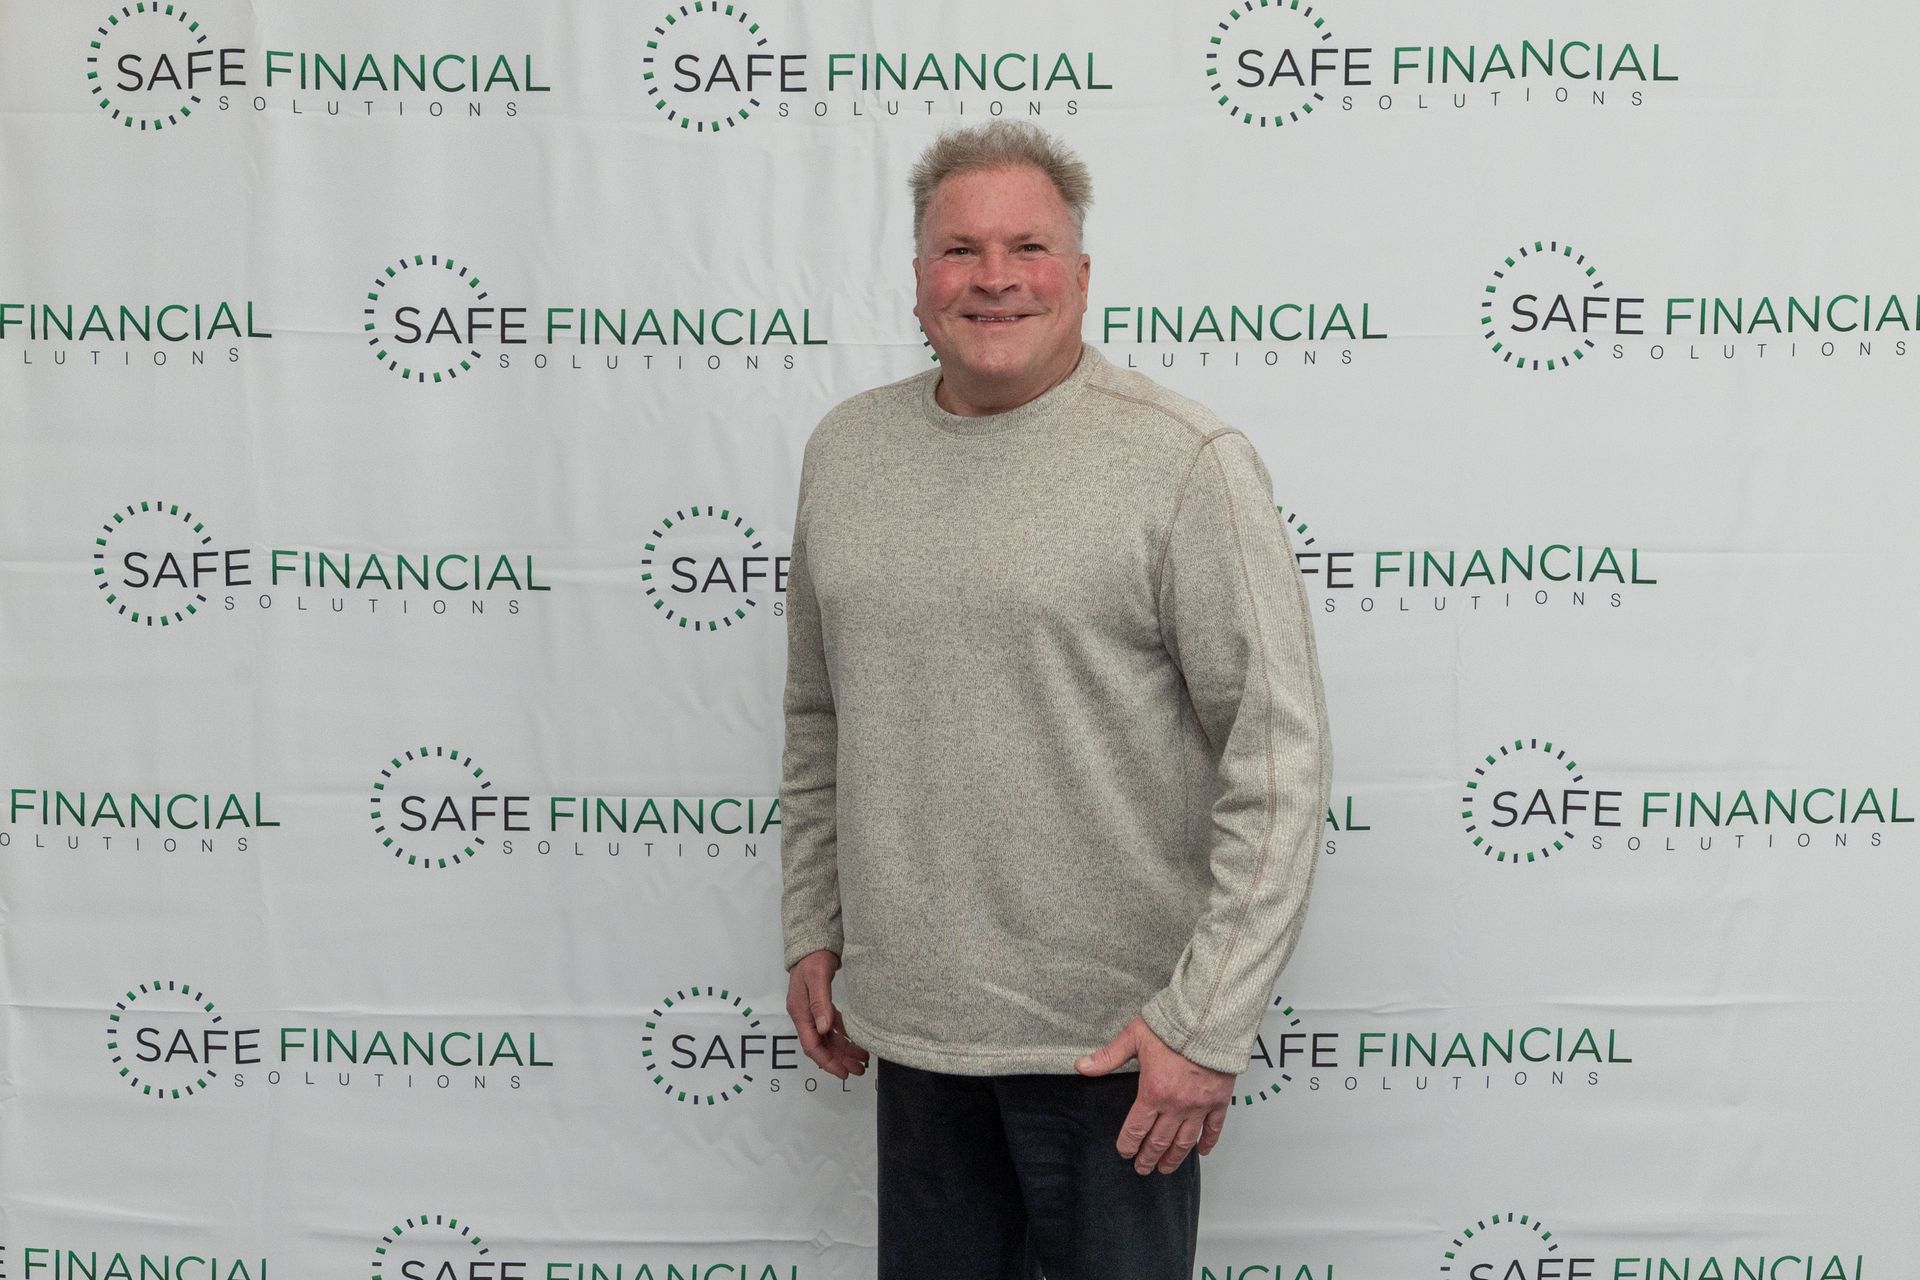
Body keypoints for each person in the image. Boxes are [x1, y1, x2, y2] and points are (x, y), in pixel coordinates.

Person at [778, 121, 1332, 1278]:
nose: (993, 277)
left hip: (1119, 1051)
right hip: (917, 1033)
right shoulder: (846, 452)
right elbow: (818, 715)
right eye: (958, 249)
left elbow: (1276, 761)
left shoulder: (1185, 462)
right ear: (916, 278)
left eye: (1028, 246)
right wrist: (813, 925)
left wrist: (1206, 1021)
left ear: (1081, 274)